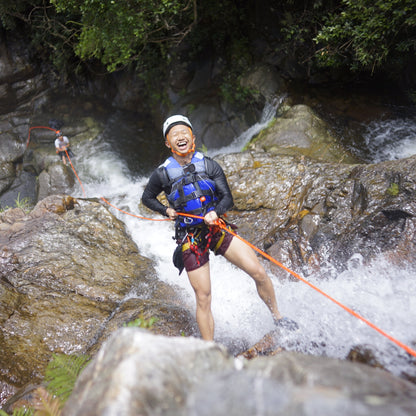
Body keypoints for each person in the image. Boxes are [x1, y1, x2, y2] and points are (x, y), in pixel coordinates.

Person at [142, 115, 297, 340]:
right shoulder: (162, 173)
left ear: (193, 137)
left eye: (184, 132)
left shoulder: (209, 165)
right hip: (191, 238)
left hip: (216, 229)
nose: (180, 136)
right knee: (203, 297)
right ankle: (209, 349)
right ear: (168, 144)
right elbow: (147, 198)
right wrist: (166, 210)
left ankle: (278, 318)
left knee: (259, 272)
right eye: (174, 135)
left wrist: (216, 212)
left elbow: (227, 198)